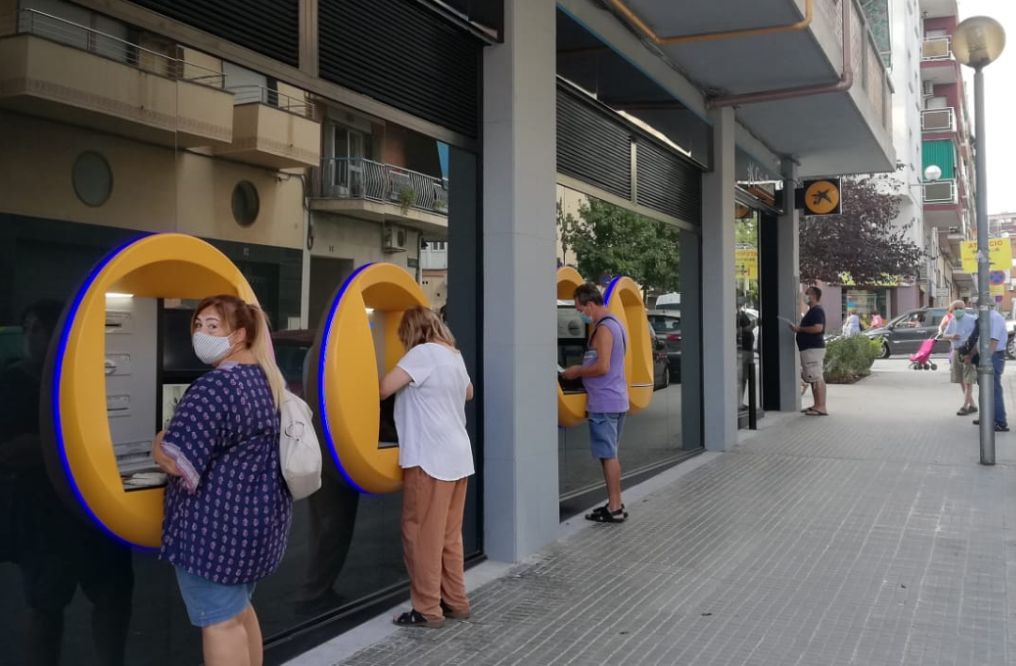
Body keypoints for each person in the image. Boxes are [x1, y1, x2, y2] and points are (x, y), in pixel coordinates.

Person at [153, 295, 292, 666]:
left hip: (216, 533)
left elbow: (176, 461)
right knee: (239, 611)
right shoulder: (268, 380)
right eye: (198, 325)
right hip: (257, 526)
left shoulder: (215, 387)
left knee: (220, 623)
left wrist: (156, 446)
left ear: (240, 334)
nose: (201, 333)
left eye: (213, 326)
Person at [2, 300, 134, 666]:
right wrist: (66, 444)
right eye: (28, 328)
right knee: (45, 609)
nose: (29, 337)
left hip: (97, 514)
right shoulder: (14, 382)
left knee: (113, 599)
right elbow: (11, 452)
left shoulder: (91, 379)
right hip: (44, 517)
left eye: (36, 328)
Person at [380, 306, 474, 629]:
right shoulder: (453, 355)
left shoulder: (422, 354)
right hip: (459, 456)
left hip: (430, 459)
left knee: (420, 535)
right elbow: (469, 393)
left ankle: (427, 609)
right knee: (449, 537)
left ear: (412, 331)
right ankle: (456, 601)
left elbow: (383, 387)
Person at [561, 283, 629, 523]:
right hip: (615, 399)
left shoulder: (604, 329)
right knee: (609, 454)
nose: (580, 313)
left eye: (580, 308)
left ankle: (615, 507)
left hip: (605, 402)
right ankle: (615, 503)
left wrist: (577, 371)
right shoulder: (616, 324)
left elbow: (603, 366)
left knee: (608, 455)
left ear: (590, 304)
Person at [962, 303, 1009, 432]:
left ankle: (999, 421)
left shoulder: (995, 318)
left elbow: (993, 341)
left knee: (993, 389)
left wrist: (986, 360)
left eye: (977, 305)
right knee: (984, 389)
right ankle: (986, 417)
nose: (975, 308)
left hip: (993, 356)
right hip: (986, 356)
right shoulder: (985, 319)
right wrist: (971, 355)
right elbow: (980, 340)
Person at [790, 286, 827, 416]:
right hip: (809, 349)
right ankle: (817, 405)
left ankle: (821, 406)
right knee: (813, 376)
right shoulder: (812, 310)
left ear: (815, 296)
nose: (805, 295)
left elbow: (818, 328)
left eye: (808, 293)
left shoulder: (817, 311)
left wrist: (800, 329)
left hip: (813, 348)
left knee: (816, 377)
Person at [943, 300, 977, 415]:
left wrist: (971, 353)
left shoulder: (972, 319)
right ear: (952, 310)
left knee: (968, 380)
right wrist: (951, 336)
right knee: (961, 380)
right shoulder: (952, 320)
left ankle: (965, 406)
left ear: (964, 308)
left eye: (959, 308)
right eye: (955, 308)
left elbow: (977, 335)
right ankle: (971, 405)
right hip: (956, 351)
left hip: (968, 351)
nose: (957, 310)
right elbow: (944, 335)